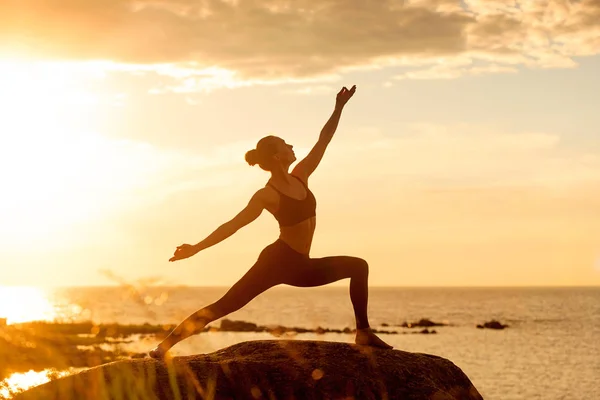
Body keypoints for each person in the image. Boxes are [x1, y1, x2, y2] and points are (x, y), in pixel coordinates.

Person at [149, 85, 392, 359]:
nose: (291, 146)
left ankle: (363, 331)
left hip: (302, 265)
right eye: (285, 144)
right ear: (277, 156)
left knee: (358, 266)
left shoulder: (301, 175)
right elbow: (233, 225)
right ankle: (162, 348)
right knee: (224, 306)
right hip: (276, 262)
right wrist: (195, 248)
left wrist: (339, 107)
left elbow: (324, 139)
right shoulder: (267, 195)